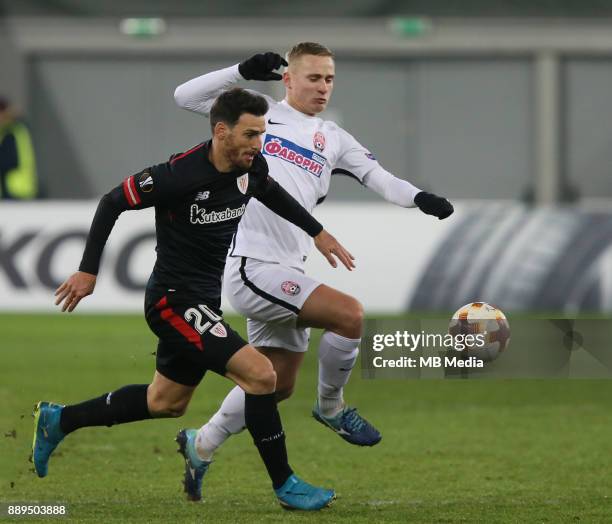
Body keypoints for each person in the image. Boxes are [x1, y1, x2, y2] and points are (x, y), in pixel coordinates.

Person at [32, 87, 356, 511]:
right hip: (172, 300)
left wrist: (317, 231)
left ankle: (60, 420)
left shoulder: (250, 165)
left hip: (202, 300)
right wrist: (88, 269)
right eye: (251, 135)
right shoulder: (176, 175)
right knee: (260, 376)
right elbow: (112, 201)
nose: (259, 145)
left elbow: (272, 192)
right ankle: (286, 484)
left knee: (165, 402)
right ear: (222, 132)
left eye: (262, 134)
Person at [172, 42, 454, 501]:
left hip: (287, 267)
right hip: (250, 265)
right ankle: (330, 407)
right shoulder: (258, 114)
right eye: (313, 78)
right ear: (288, 79)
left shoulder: (333, 137)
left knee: (275, 385)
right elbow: (185, 96)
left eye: (329, 79)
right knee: (349, 314)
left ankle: (201, 444)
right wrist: (241, 70)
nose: (323, 87)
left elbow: (380, 178)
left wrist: (421, 198)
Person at [0, 97, 38, 199]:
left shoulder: (12, 133)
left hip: (15, 190)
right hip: (13, 191)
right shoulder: (11, 131)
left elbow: (8, 161)